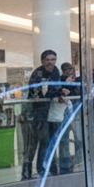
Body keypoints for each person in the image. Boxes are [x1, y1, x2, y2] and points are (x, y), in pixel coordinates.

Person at [24, 50, 62, 179]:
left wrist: (60, 93)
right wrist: (56, 93)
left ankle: (49, 167)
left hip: (52, 112)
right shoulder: (37, 74)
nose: (51, 62)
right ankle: (31, 170)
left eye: (53, 59)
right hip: (37, 113)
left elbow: (55, 89)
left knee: (50, 140)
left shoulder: (56, 71)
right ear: (42, 61)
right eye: (48, 60)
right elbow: (38, 95)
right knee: (37, 142)